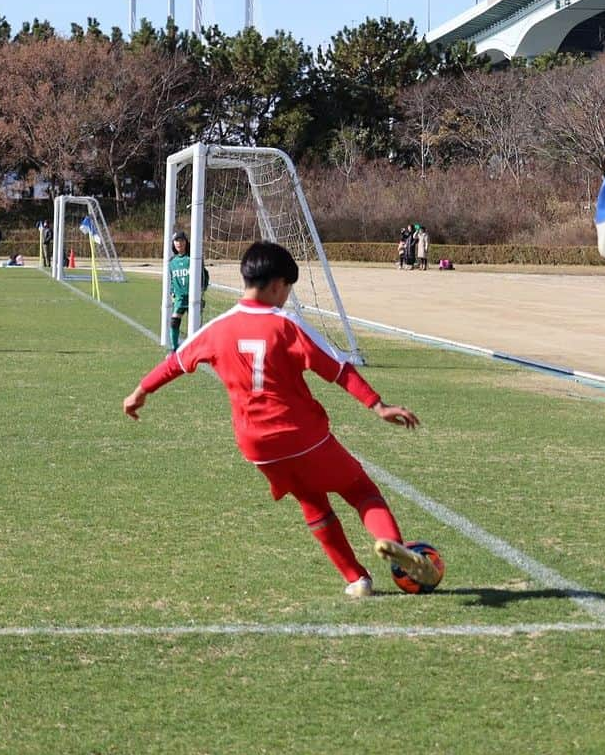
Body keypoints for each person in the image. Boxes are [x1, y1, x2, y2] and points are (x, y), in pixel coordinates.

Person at [123, 241, 440, 598]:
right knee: (360, 489)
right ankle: (395, 547)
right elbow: (336, 369)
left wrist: (139, 392)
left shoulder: (217, 327)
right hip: (301, 433)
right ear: (277, 285)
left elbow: (175, 363)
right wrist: (378, 405)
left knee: (313, 503)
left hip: (257, 446)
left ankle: (356, 579)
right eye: (288, 289)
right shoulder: (285, 324)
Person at [167, 231, 209, 352]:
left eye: (181, 240)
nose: (179, 243)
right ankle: (174, 349)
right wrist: (172, 292)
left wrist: (202, 289)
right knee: (174, 321)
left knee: (195, 326)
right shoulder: (172, 262)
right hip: (180, 299)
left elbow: (204, 275)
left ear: (186, 242)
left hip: (193, 297)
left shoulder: (193, 259)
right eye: (176, 241)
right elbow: (172, 280)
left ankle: (200, 349)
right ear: (173, 244)